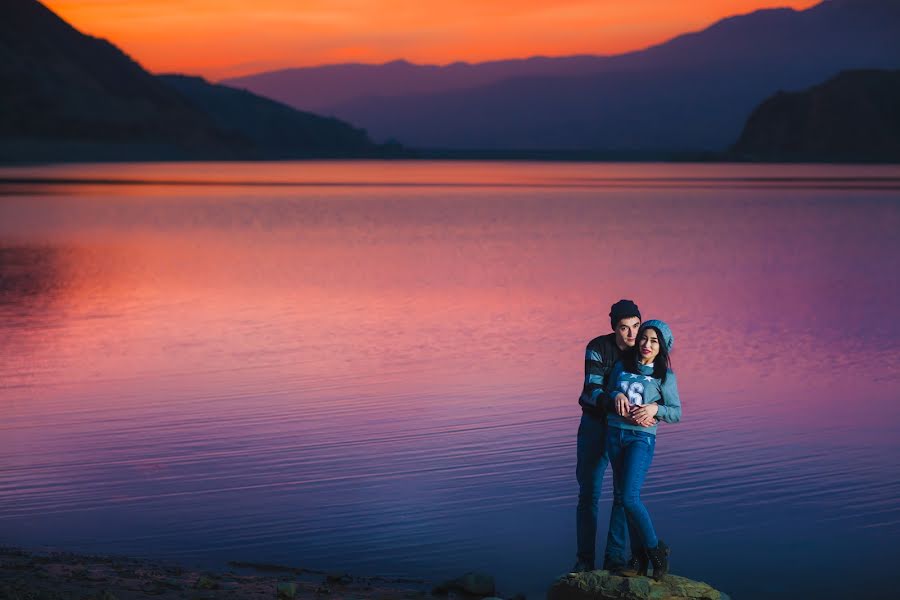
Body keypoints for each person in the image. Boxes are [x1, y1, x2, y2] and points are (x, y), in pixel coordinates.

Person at [573, 299, 655, 572]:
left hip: (625, 430)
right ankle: (585, 560)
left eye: (636, 326)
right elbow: (592, 389)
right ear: (614, 328)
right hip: (596, 426)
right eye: (624, 328)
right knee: (589, 495)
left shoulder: (643, 353)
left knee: (623, 496)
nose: (632, 335)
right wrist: (614, 396)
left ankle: (615, 558)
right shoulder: (597, 348)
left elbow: (660, 387)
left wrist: (655, 409)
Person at [603, 319, 682, 580]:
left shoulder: (664, 376)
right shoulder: (621, 365)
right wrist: (616, 395)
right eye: (644, 338)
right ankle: (637, 559)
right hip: (615, 435)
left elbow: (676, 413)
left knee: (629, 497)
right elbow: (610, 389)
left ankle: (655, 550)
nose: (647, 344)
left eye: (654, 341)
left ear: (663, 347)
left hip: (640, 439)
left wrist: (655, 409)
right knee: (622, 498)